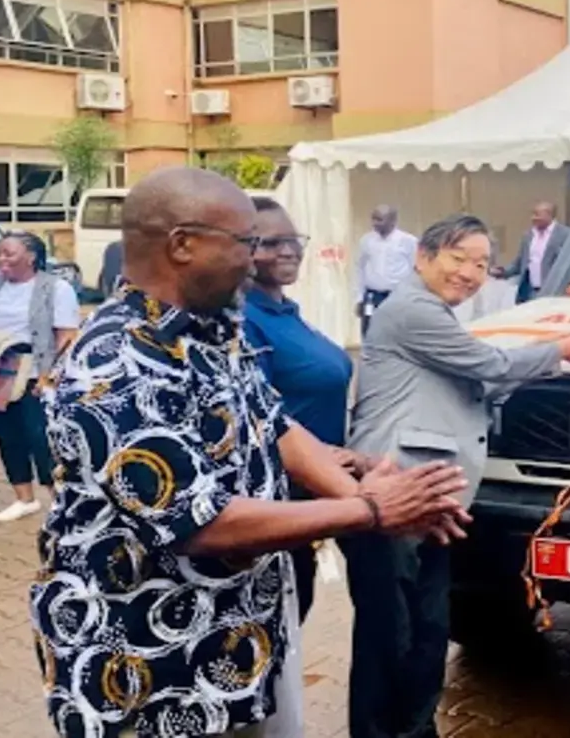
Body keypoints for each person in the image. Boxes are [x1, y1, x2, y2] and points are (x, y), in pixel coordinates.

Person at [30, 168, 472, 738]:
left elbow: (273, 425)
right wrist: (373, 513)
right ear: (182, 244)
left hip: (229, 640)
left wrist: (364, 488)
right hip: (144, 659)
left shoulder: (215, 330)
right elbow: (201, 521)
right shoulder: (115, 363)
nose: (256, 258)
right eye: (246, 242)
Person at [341, 213, 570, 738]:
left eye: (479, 263)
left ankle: (416, 728)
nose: (470, 273)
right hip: (391, 487)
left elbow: (473, 386)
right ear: (424, 257)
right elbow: (488, 365)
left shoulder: (436, 315)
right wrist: (562, 350)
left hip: (432, 495)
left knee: (429, 627)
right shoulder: (411, 310)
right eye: (458, 258)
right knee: (392, 633)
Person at [243, 195, 355, 623]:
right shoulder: (246, 321)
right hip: (282, 495)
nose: (288, 250)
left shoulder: (286, 312)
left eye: (293, 240)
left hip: (316, 487)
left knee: (294, 613)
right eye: (270, 243)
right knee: (278, 621)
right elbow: (262, 419)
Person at [0, 233, 79, 523]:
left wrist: (49, 376)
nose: (2, 259)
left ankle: (59, 501)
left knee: (41, 438)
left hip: (36, 370)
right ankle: (24, 499)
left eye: (9, 254)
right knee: (7, 434)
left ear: (32, 257)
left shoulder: (56, 288)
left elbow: (67, 334)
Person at [355, 204, 417, 335]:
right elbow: (360, 269)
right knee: (369, 332)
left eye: (379, 219)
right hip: (372, 296)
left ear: (393, 221)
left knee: (396, 333)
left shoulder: (408, 241)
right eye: (373, 219)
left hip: (397, 296)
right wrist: (359, 298)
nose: (375, 223)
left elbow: (416, 269)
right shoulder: (367, 240)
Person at [494, 201, 569, 303]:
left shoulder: (565, 234)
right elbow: (519, 263)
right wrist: (502, 272)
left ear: (549, 215)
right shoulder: (528, 235)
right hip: (529, 292)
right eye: (532, 214)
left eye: (537, 215)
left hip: (554, 293)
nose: (533, 218)